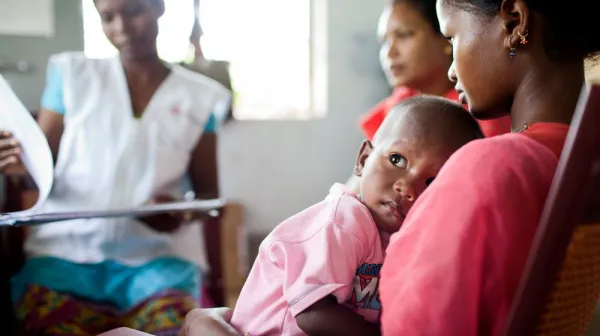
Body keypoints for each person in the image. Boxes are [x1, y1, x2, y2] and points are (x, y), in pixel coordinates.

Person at [175, 0, 599, 334]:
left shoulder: (491, 165)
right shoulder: (578, 162)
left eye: (451, 37)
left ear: (513, 21)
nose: (452, 68)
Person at [0, 0, 229, 335]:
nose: (121, 28)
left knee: (173, 326)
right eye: (107, 17)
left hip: (158, 262)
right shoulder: (72, 75)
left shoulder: (201, 97)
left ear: (159, 8)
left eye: (134, 10)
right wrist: (16, 164)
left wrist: (180, 213)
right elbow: (35, 173)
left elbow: (209, 195)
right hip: (64, 256)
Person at [231, 97, 483, 336]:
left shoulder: (402, 239)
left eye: (431, 182)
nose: (406, 188)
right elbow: (313, 313)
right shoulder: (344, 219)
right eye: (397, 159)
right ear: (363, 159)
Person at [360, 0, 511, 140]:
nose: (389, 52)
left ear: (445, 36)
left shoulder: (483, 113)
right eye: (384, 41)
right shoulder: (394, 108)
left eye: (403, 35)